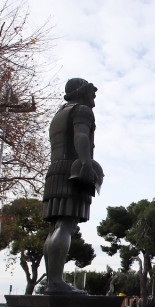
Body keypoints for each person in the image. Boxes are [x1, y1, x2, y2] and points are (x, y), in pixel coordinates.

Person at [42, 78, 102, 295]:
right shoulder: (82, 110)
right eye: (91, 92)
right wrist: (86, 162)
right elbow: (81, 135)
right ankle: (56, 283)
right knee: (66, 225)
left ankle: (52, 282)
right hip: (73, 170)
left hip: (55, 170)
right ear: (82, 92)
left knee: (55, 227)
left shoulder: (59, 114)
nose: (94, 97)